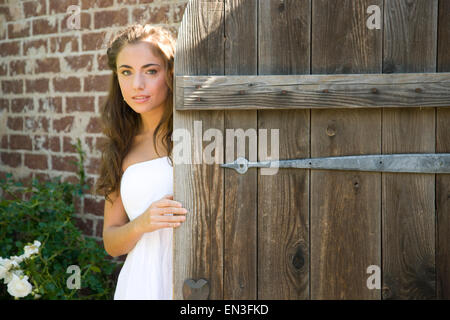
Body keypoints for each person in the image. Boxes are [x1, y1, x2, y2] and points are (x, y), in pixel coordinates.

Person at [95, 24, 188, 300]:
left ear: (170, 73)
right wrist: (142, 223)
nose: (137, 84)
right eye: (126, 72)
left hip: (196, 278)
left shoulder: (197, 135)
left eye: (150, 71)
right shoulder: (120, 147)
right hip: (140, 285)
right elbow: (111, 243)